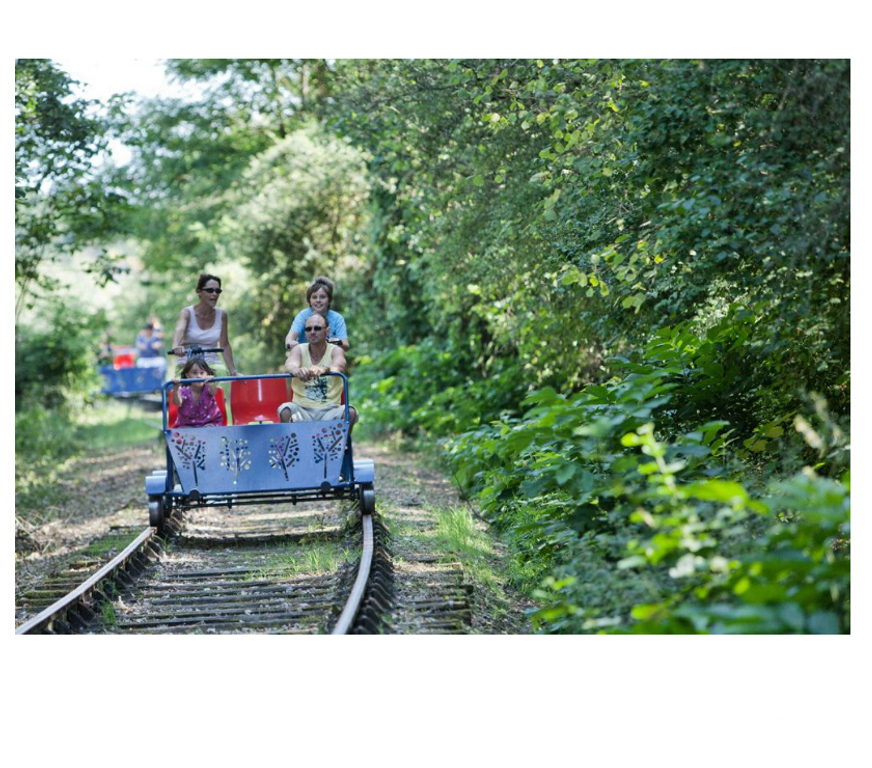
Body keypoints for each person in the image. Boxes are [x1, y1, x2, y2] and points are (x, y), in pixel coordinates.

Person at [278, 311, 358, 427]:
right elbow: (290, 365)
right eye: (308, 329)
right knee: (285, 410)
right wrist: (296, 370)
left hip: (330, 410)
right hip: (302, 409)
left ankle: (342, 443)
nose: (312, 332)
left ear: (327, 331)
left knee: (350, 412)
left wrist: (324, 369)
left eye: (317, 328)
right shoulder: (298, 349)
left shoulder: (335, 350)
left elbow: (339, 365)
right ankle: (292, 443)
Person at [171, 273, 240, 377]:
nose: (214, 294)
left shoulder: (222, 315)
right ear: (199, 292)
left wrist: (232, 371)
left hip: (212, 363)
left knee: (221, 373)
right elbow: (179, 329)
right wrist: (176, 345)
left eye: (217, 291)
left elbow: (224, 344)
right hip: (188, 363)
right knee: (184, 382)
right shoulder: (186, 313)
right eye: (210, 290)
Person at [284, 276, 350, 352]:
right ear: (309, 300)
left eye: (322, 297)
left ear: (329, 300)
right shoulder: (303, 316)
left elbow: (346, 345)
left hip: (328, 358)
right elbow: (291, 336)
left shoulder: (337, 318)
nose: (318, 300)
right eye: (314, 297)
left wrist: (336, 342)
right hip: (305, 357)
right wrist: (289, 343)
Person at [172, 358, 223, 427]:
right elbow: (177, 403)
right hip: (187, 424)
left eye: (202, 373)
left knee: (210, 430)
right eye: (194, 373)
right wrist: (175, 390)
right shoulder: (184, 391)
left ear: (207, 374)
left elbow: (214, 392)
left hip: (209, 422)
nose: (199, 376)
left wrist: (212, 385)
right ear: (187, 375)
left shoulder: (208, 388)